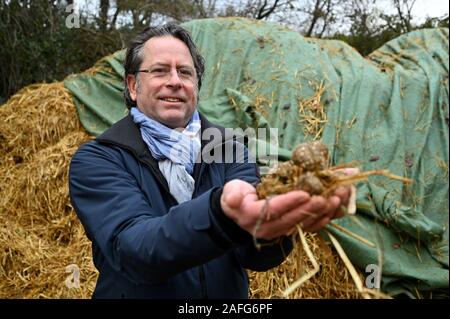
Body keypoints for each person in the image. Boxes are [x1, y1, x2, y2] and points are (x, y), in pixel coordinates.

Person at [69, 23, 351, 299]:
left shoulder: (229, 147)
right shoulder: (99, 159)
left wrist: (278, 226)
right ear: (133, 85)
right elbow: (135, 251)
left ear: (196, 86)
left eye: (185, 73)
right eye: (159, 71)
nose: (175, 81)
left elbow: (254, 256)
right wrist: (219, 213)